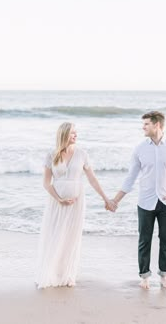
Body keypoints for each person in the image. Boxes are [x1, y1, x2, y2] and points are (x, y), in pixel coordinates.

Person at [107, 111, 166, 289]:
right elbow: (131, 177)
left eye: (146, 124)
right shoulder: (140, 149)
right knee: (144, 239)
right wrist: (116, 200)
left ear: (157, 125)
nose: (143, 127)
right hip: (145, 201)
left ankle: (164, 276)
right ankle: (144, 277)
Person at [35, 122, 115, 289]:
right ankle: (51, 273)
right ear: (64, 135)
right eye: (72, 133)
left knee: (71, 237)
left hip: (77, 202)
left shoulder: (82, 154)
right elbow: (46, 183)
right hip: (56, 202)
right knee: (55, 234)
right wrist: (59, 199)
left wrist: (106, 198)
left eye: (76, 132)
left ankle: (68, 274)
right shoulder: (52, 155)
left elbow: (92, 179)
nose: (76, 135)